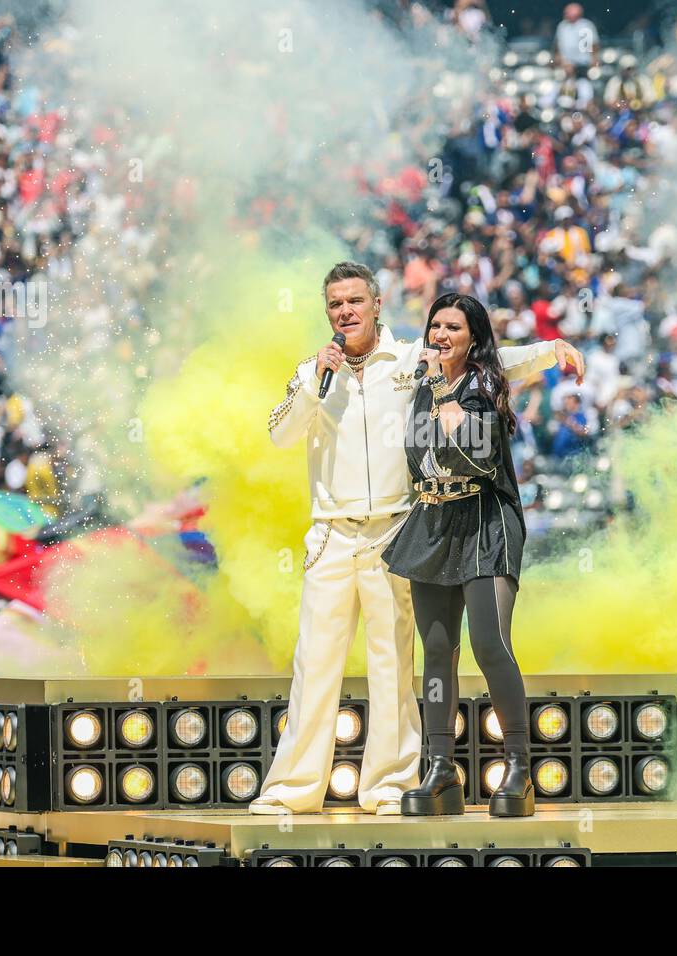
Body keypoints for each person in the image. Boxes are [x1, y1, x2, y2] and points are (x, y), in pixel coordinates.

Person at [254, 262, 585, 816]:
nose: (346, 312)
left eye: (355, 301)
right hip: (331, 535)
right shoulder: (312, 371)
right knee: (314, 662)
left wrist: (551, 350)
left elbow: (485, 361)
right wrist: (316, 381)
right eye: (335, 304)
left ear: (377, 304)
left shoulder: (411, 360)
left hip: (396, 528)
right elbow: (279, 432)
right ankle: (292, 790)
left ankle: (388, 784)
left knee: (394, 664)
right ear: (326, 311)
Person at [382, 293, 539, 817]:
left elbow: (475, 452)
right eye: (435, 326)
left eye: (453, 327)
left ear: (473, 336)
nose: (441, 335)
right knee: (436, 648)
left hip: (485, 520)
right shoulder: (423, 386)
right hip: (433, 521)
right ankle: (440, 769)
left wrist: (554, 347)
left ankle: (518, 766)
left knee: (489, 642)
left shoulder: (483, 384)